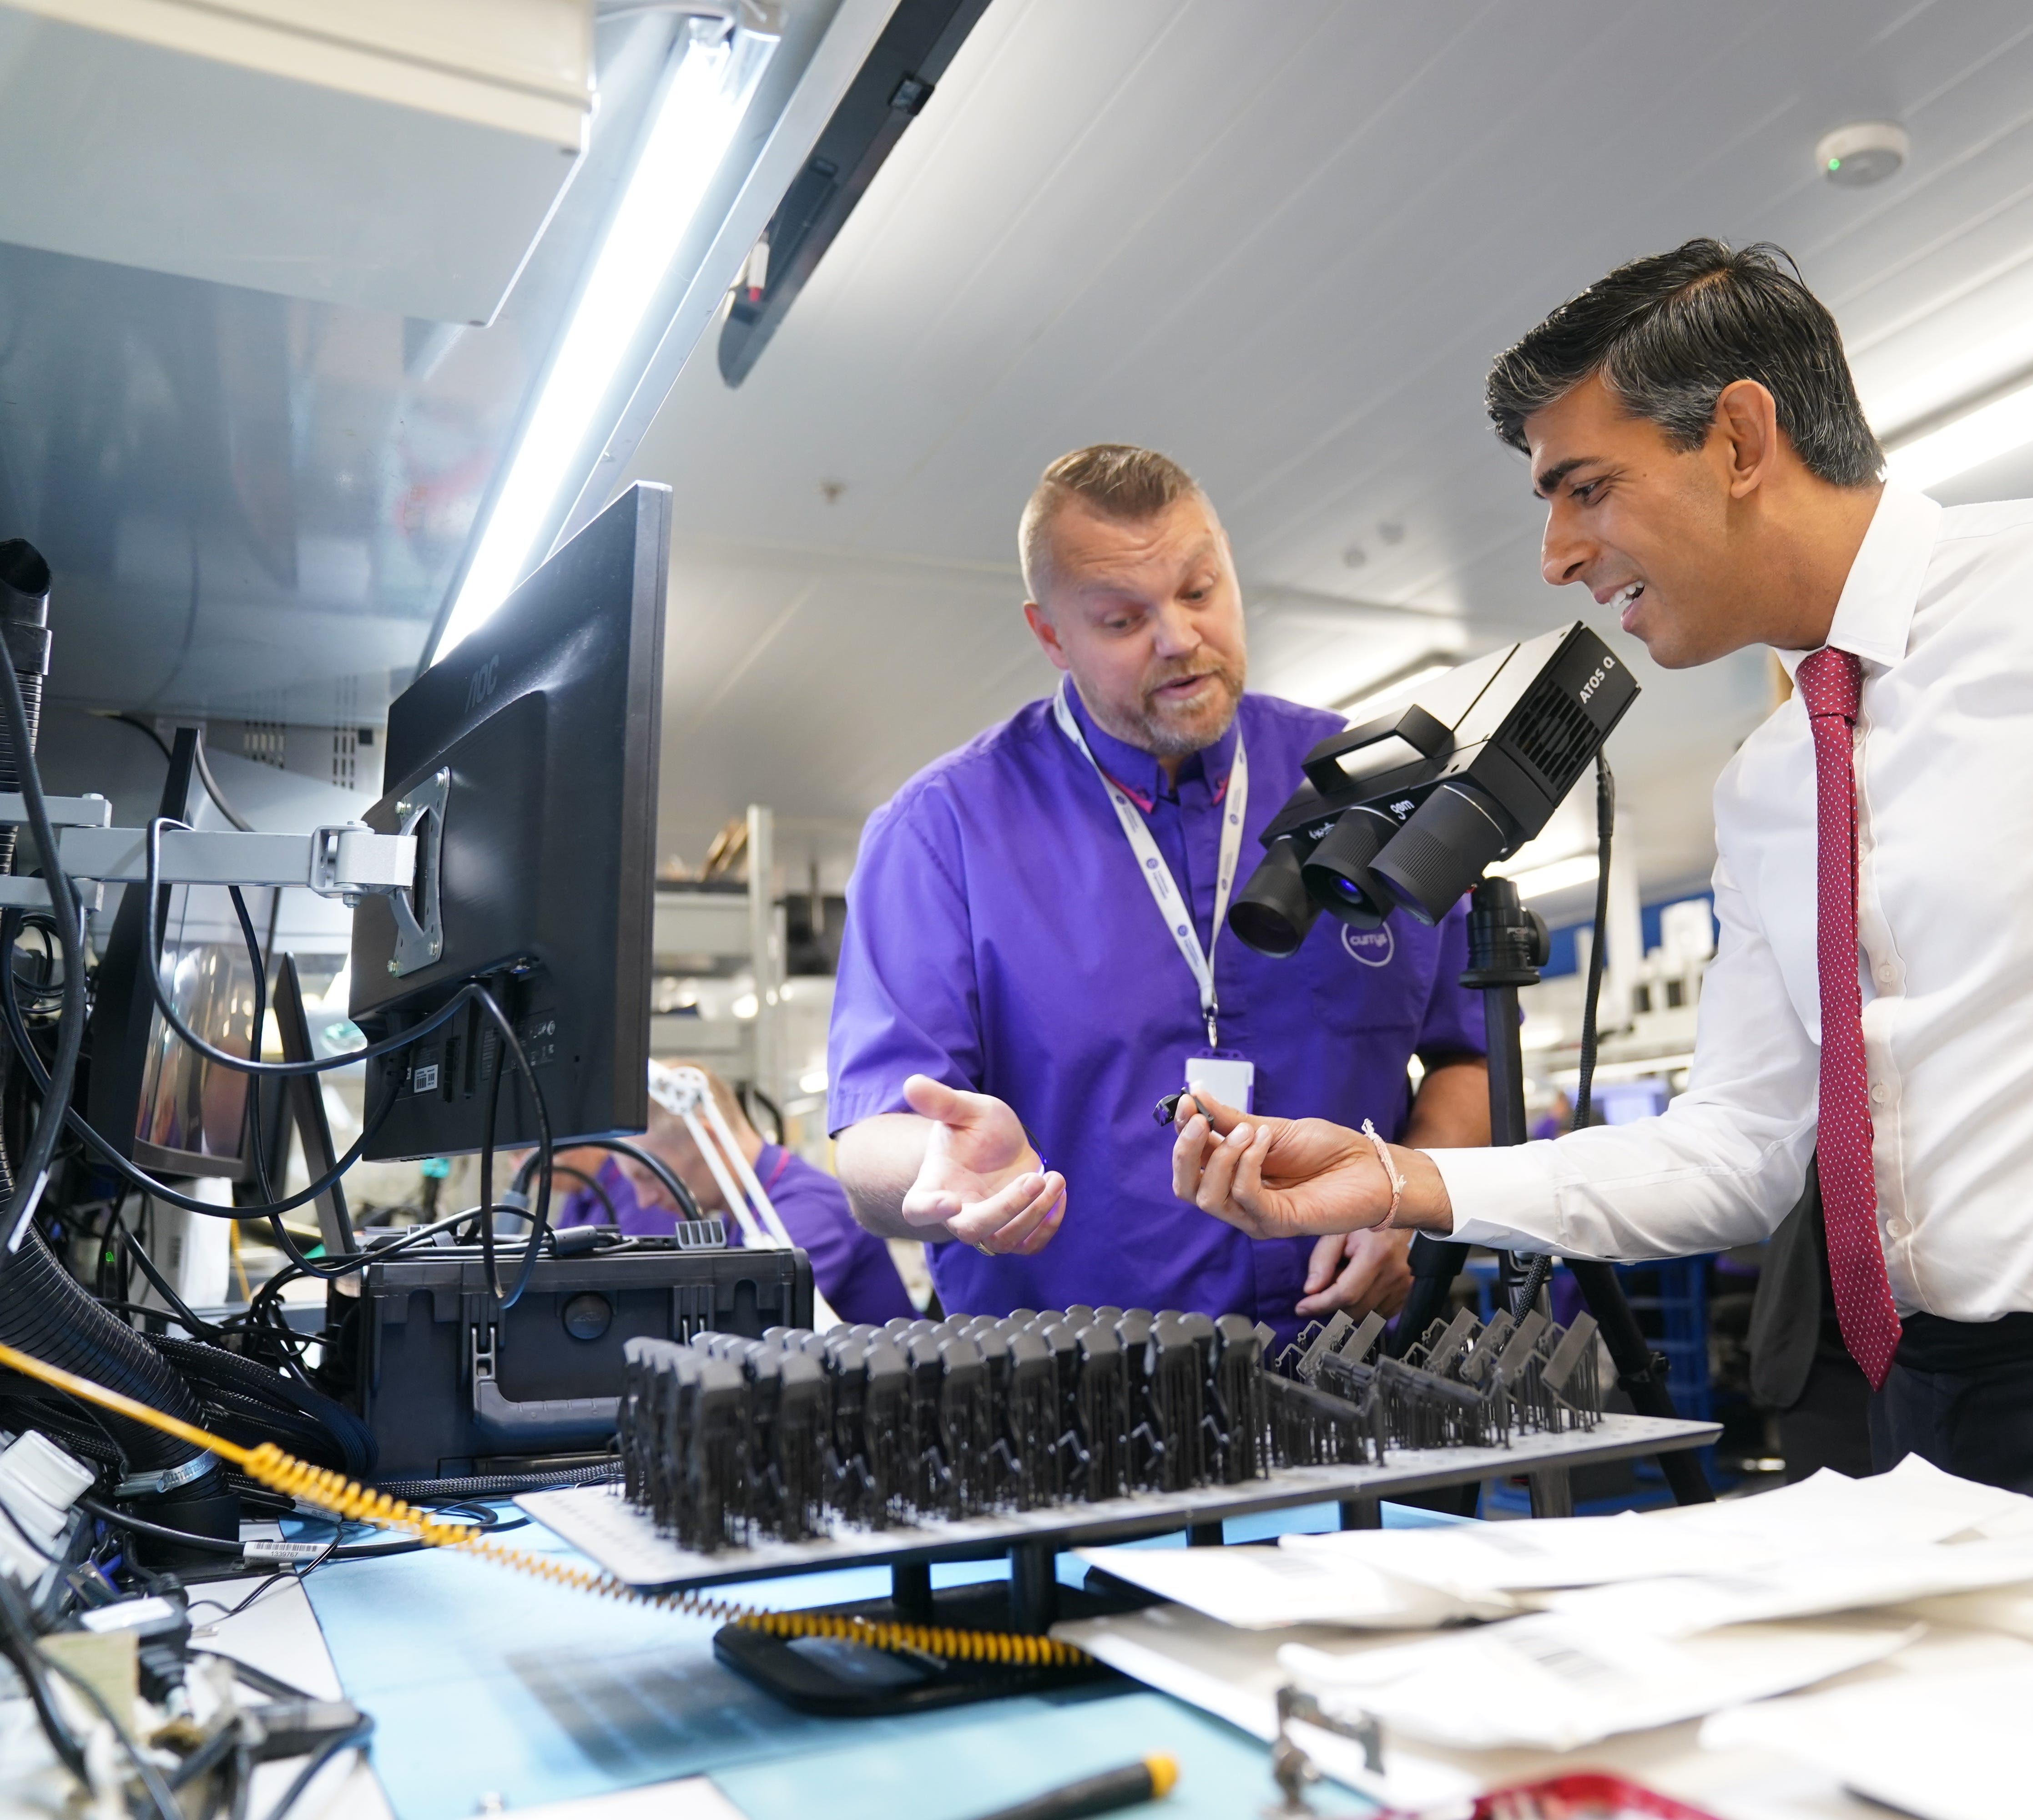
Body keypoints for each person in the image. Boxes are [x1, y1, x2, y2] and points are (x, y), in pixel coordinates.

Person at [1170, 241, 2033, 1559]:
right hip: (1926, 1415)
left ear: (1741, 439)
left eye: (1581, 486)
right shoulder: (1769, 779)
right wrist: (1403, 1178)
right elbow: (1739, 1151)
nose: (1554, 554)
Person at [826, 445, 1490, 1327]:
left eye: (1200, 591)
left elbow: (1475, 1053)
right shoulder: (940, 832)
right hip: (1072, 1391)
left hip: (1369, 1362)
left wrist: (1413, 1197)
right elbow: (871, 1134)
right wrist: (937, 1171)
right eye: (1120, 619)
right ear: (1051, 634)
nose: (1180, 638)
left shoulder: (1371, 783)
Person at [548, 1061, 918, 1325]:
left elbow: (744, 1337)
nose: (643, 1201)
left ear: (706, 1139)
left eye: (648, 1176)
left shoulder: (804, 1212)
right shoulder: (744, 1213)